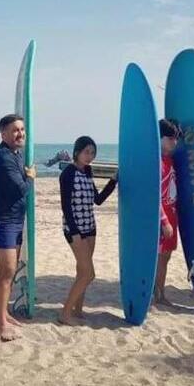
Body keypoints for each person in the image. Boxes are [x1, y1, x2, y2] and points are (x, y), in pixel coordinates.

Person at [58, 136, 117, 325]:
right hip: (74, 229)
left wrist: (113, 181)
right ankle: (65, 313)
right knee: (88, 274)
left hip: (90, 227)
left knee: (81, 270)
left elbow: (97, 200)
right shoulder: (68, 173)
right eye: (86, 152)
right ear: (77, 152)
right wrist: (74, 232)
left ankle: (78, 310)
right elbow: (66, 207)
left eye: (92, 153)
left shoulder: (88, 171)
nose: (89, 156)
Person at [0, 114, 36, 341]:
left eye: (22, 130)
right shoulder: (3, 157)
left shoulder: (16, 154)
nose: (20, 134)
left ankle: (5, 314)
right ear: (3, 134)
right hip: (3, 220)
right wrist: (31, 177)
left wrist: (27, 174)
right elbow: (21, 188)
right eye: (15, 130)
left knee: (11, 270)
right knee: (6, 271)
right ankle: (0, 324)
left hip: (16, 219)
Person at [154, 119, 180, 306]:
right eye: (170, 138)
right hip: (162, 216)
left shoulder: (170, 159)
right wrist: (164, 222)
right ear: (160, 137)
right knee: (160, 257)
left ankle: (159, 292)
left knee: (166, 256)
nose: (174, 142)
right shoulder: (156, 162)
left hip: (172, 213)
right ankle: (158, 294)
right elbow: (153, 194)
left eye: (176, 138)